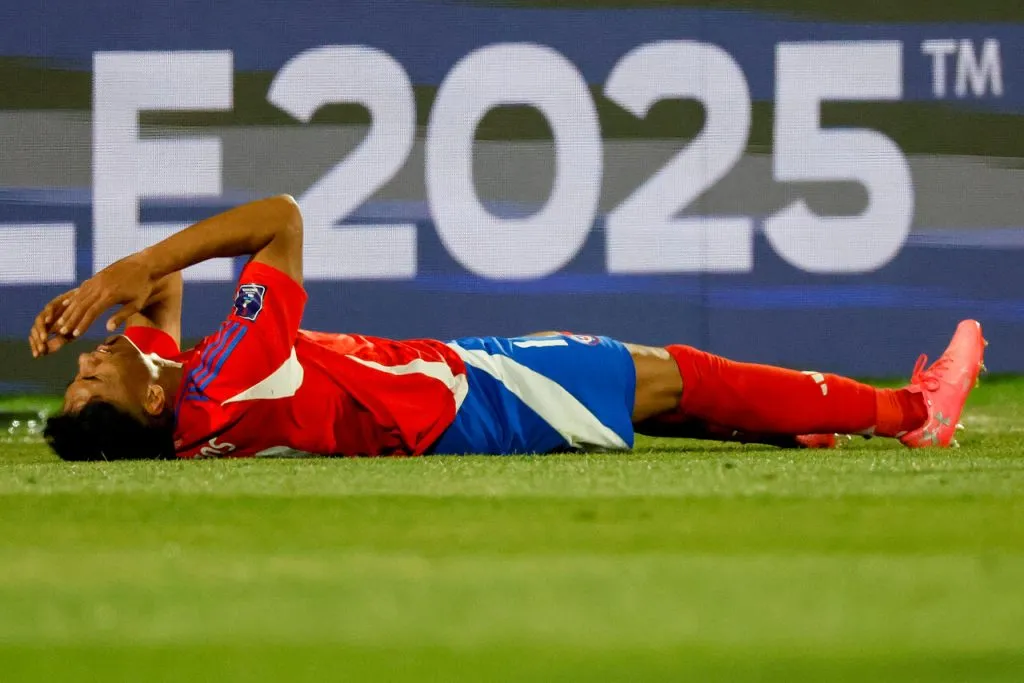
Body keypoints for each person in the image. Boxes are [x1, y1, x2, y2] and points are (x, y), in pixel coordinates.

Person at [28, 195, 986, 461]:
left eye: (76, 374)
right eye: (93, 380)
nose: (91, 360)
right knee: (670, 374)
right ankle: (911, 409)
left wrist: (131, 284)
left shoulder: (181, 409)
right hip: (468, 402)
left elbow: (150, 328)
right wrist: (139, 266)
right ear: (150, 403)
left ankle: (791, 423)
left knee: (661, 403)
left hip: (440, 393)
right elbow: (279, 217)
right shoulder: (231, 369)